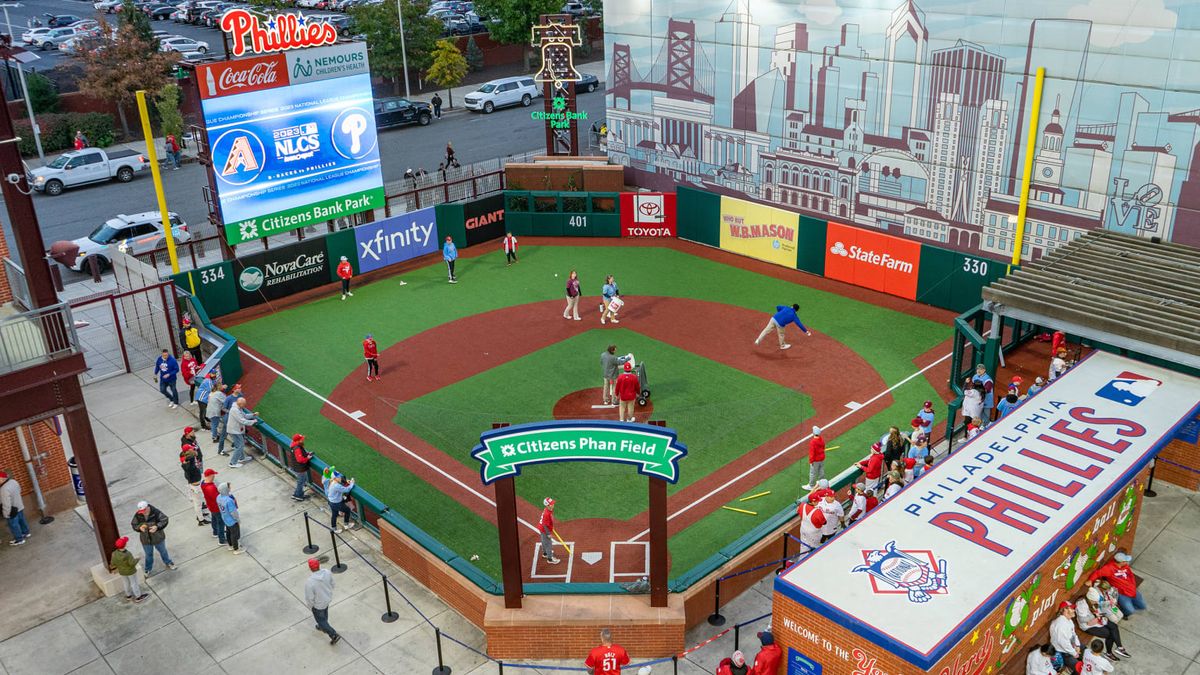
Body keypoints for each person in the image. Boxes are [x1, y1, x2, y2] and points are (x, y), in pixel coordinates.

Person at [1088, 550, 1146, 617]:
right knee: (1130, 610)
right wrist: (1090, 580)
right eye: (1125, 561)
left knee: (1142, 606)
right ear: (1121, 562)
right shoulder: (1109, 568)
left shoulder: (1125, 566)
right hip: (1122, 593)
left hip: (1131, 589)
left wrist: (1133, 585)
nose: (1127, 562)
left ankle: (1130, 604)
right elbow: (1097, 573)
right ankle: (1124, 614)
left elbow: (1131, 575)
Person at [1076, 588, 1129, 660]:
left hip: (1097, 620)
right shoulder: (1081, 604)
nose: (1096, 602)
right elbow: (1082, 620)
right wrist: (1095, 616)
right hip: (1088, 626)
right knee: (1110, 635)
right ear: (1090, 599)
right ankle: (1109, 654)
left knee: (1114, 626)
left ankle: (1119, 647)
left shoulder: (1091, 602)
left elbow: (1099, 607)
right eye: (1094, 601)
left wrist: (1109, 603)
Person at [131, 501, 175, 575]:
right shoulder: (138, 515)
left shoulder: (156, 512)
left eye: (144, 510)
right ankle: (148, 569)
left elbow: (164, 519)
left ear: (148, 507)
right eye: (141, 511)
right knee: (148, 555)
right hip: (145, 540)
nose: (142, 513)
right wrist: (139, 528)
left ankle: (168, 563)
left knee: (163, 551)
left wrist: (157, 527)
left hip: (158, 538)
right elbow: (134, 524)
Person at [305, 558, 341, 645]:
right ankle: (322, 626)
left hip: (318, 605)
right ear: (319, 565)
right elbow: (333, 584)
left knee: (320, 619)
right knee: (324, 615)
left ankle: (333, 634)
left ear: (310, 568)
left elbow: (310, 598)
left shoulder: (310, 582)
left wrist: (311, 606)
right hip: (327, 599)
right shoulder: (327, 572)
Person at [110, 537, 148, 603]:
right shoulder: (128, 554)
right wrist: (138, 559)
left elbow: (113, 563)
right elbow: (132, 563)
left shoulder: (114, 553)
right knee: (134, 583)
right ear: (125, 545)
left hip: (122, 572)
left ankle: (128, 596)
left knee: (126, 583)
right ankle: (138, 597)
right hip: (130, 571)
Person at [225, 397, 258, 467]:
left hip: (236, 430)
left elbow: (244, 416)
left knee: (239, 445)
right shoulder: (235, 410)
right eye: (244, 404)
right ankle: (232, 463)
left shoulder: (238, 408)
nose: (244, 406)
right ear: (240, 404)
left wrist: (253, 415)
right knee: (240, 445)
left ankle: (242, 458)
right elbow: (242, 420)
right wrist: (253, 421)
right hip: (234, 431)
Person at [180, 444, 209, 526]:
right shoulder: (189, 464)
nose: (194, 450)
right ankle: (201, 520)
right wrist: (193, 456)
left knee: (199, 502)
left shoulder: (187, 461)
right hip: (195, 486)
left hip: (195, 484)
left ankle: (201, 515)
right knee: (198, 504)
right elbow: (189, 465)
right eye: (191, 449)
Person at [1049, 601, 1081, 670]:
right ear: (1065, 610)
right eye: (1072, 608)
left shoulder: (1069, 620)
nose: (1074, 610)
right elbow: (1064, 644)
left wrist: (1077, 645)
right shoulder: (1061, 625)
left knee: (1086, 652)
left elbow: (1074, 634)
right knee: (1079, 669)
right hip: (1062, 652)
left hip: (1071, 647)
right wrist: (1074, 653)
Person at [1, 470, 30, 546]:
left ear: (2, 479)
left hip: (11, 511)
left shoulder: (3, 489)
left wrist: (6, 514)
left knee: (14, 525)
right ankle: (26, 533)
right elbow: (19, 490)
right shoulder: (14, 481)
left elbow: (6, 503)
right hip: (19, 505)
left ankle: (19, 539)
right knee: (22, 520)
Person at [216, 482, 243, 554]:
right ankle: (236, 549)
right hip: (232, 520)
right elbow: (233, 512)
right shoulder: (229, 500)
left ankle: (230, 545)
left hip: (225, 518)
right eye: (229, 487)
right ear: (226, 489)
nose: (230, 488)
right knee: (234, 534)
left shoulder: (218, 497)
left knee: (228, 532)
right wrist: (237, 519)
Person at [201, 468, 225, 545]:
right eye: (213, 475)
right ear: (210, 476)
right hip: (216, 508)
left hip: (210, 506)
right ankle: (222, 540)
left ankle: (215, 532)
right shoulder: (211, 488)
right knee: (221, 523)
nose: (214, 476)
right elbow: (218, 498)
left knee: (214, 519)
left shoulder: (203, 483)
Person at [538, 497, 560, 564]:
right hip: (544, 530)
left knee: (544, 541)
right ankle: (550, 559)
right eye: (551, 504)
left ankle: (545, 553)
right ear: (547, 505)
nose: (553, 505)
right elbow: (545, 525)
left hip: (542, 528)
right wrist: (548, 534)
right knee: (548, 544)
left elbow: (547, 522)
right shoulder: (546, 514)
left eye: (553, 503)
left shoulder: (548, 509)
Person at [291, 434, 314, 501]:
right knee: (301, 481)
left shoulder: (295, 445)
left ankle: (296, 494)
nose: (302, 440)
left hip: (297, 467)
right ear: (298, 440)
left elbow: (301, 454)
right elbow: (300, 459)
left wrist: (307, 454)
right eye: (301, 439)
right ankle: (298, 496)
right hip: (300, 468)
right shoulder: (297, 448)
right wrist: (307, 458)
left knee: (301, 481)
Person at [802, 426, 825, 490]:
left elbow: (812, 453)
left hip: (816, 460)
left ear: (813, 433)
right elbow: (823, 447)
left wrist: (811, 461)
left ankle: (811, 485)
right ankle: (822, 483)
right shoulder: (821, 439)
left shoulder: (813, 442)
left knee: (812, 473)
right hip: (822, 458)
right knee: (821, 470)